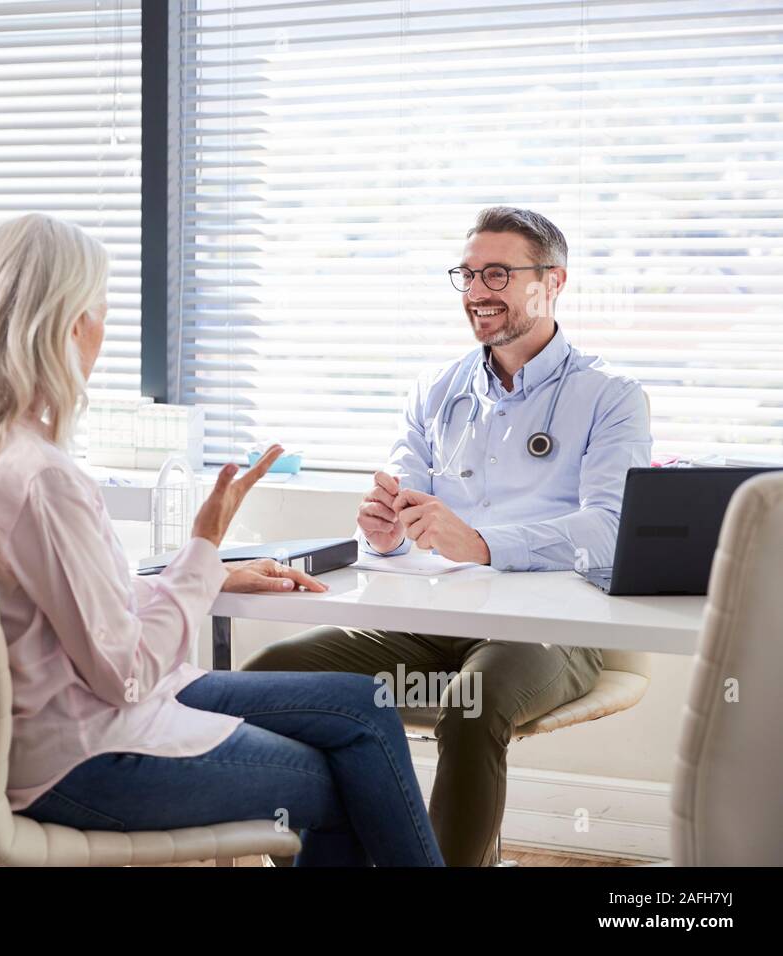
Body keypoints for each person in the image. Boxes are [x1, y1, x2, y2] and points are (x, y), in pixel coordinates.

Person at [0, 212, 442, 866]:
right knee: (344, 777)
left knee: (363, 706)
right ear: (67, 323)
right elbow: (128, 672)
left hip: (41, 729)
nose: (102, 330)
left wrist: (210, 574)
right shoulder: (42, 477)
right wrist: (202, 549)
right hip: (89, 756)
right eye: (100, 309)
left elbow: (64, 607)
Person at [243, 206, 652, 866]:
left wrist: (486, 544)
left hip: (552, 630)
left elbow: (609, 531)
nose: (477, 292)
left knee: (472, 703)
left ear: (553, 281)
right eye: (467, 274)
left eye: (498, 273)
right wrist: (384, 532)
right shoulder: (436, 389)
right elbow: (404, 525)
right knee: (269, 676)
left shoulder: (610, 396)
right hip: (430, 627)